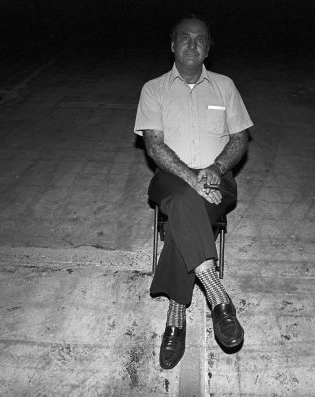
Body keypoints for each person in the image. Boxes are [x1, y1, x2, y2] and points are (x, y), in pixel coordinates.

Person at [134, 14, 253, 369]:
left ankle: (176, 313)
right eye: (184, 38)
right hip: (171, 178)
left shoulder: (225, 86)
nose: (192, 44)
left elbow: (240, 139)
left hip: (218, 179)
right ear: (172, 44)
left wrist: (215, 169)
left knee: (183, 214)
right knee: (185, 197)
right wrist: (191, 177)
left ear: (208, 49)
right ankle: (217, 295)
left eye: (200, 39)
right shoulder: (153, 89)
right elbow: (154, 145)